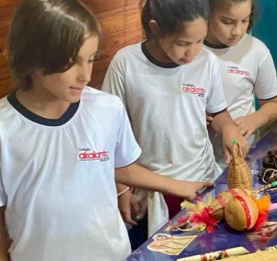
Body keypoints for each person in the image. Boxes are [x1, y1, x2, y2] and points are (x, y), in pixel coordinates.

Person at [0, 0, 210, 261]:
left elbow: (120, 166)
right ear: (34, 56)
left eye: (91, 60)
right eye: (72, 62)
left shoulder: (106, 109)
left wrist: (181, 187)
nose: (85, 75)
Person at [103, 0, 248, 247]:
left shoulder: (207, 62)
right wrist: (122, 190)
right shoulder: (126, 64)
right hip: (151, 190)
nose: (192, 52)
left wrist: (229, 130)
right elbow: (108, 137)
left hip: (202, 184)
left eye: (200, 41)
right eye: (182, 43)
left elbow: (219, 112)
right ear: (156, 29)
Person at [205, 0, 277, 168]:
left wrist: (254, 120)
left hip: (245, 158)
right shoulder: (188, 51)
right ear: (207, 12)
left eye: (245, 20)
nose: (237, 31)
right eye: (227, 21)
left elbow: (274, 104)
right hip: (198, 163)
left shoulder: (256, 51)